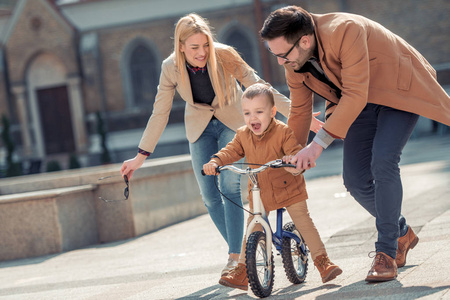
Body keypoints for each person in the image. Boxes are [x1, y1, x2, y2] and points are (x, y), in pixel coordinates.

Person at [260, 5, 450, 282]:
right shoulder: (293, 61)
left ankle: (386, 254)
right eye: (272, 54)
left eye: (282, 54)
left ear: (305, 40)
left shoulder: (345, 30)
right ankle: (401, 231)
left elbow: (355, 92)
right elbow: (300, 111)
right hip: (358, 104)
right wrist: (290, 155)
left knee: (384, 161)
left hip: (398, 90)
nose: (279, 62)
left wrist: (317, 145)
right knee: (355, 180)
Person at [120, 13, 296, 280]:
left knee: (229, 186)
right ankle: (247, 252)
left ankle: (236, 261)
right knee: (209, 196)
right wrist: (140, 156)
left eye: (205, 45)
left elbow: (259, 85)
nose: (202, 52)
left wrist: (295, 113)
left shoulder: (224, 55)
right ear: (181, 46)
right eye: (194, 48)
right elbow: (160, 112)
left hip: (231, 122)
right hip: (199, 127)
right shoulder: (170, 68)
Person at [203, 83, 342, 290]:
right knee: (253, 227)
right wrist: (216, 161)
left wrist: (292, 160)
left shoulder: (283, 131)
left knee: (303, 220)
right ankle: (242, 271)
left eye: (259, 112)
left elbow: (295, 153)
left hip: (288, 187)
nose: (253, 118)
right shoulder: (243, 134)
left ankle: (322, 262)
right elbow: (230, 151)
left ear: (272, 112)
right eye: (247, 113)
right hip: (260, 192)